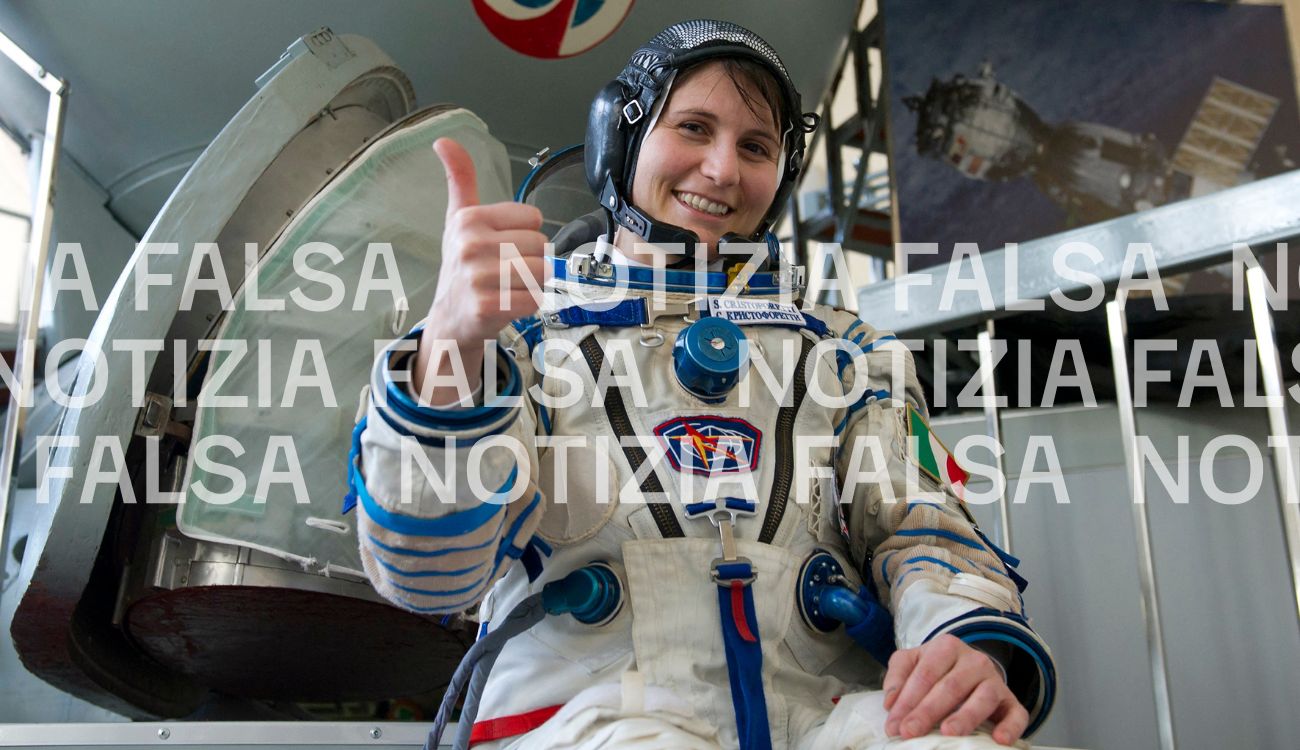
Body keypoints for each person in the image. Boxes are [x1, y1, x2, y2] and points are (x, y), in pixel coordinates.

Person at [348, 19, 1055, 750]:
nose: (722, 170)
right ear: (618, 141)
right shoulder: (519, 338)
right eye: (693, 127)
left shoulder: (843, 352)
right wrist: (453, 347)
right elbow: (427, 578)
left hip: (822, 714)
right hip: (587, 719)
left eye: (756, 147)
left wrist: (960, 642)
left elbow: (923, 526)